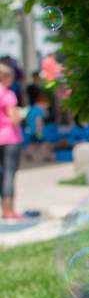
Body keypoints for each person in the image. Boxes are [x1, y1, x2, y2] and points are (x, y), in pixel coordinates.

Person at [0, 63, 25, 220]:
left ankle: (4, 210)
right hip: (10, 138)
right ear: (6, 78)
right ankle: (9, 210)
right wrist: (21, 115)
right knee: (9, 174)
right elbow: (14, 119)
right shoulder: (8, 95)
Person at [23, 89, 55, 164]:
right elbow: (39, 121)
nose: (47, 107)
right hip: (38, 131)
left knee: (33, 143)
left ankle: (28, 153)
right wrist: (39, 131)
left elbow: (27, 120)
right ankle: (47, 156)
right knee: (44, 143)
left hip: (31, 130)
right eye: (46, 105)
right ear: (43, 103)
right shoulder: (39, 110)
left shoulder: (32, 109)